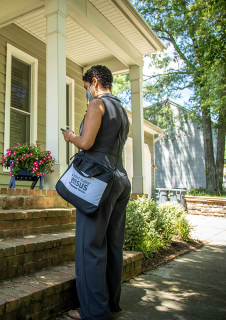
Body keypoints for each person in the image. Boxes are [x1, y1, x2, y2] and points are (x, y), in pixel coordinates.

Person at [62, 65, 131, 320]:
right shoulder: (122, 111)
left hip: (98, 182)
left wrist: (70, 136)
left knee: (89, 246)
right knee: (113, 245)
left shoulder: (97, 105)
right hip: (120, 179)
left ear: (94, 82)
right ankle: (111, 303)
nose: (87, 95)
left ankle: (93, 313)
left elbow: (86, 142)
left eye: (86, 89)